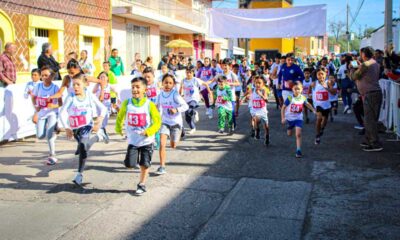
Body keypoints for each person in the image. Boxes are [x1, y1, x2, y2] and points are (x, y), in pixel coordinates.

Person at [115, 76, 161, 195]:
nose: (134, 89)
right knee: (130, 164)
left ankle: (142, 184)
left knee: (144, 164)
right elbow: (120, 116)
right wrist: (118, 128)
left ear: (145, 89)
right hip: (133, 141)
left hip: (147, 141)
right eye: (132, 87)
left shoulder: (149, 104)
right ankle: (131, 162)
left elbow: (157, 122)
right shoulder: (127, 103)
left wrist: (148, 131)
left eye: (137, 87)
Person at [59, 74, 106, 186]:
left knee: (83, 146)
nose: (75, 87)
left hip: (86, 126)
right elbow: (62, 112)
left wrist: (99, 119)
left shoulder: (89, 95)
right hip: (75, 129)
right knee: (83, 148)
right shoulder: (70, 97)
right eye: (73, 84)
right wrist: (67, 127)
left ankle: (79, 174)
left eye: (78, 84)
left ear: (85, 84)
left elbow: (103, 108)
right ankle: (98, 137)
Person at [350, 47, 383, 152]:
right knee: (370, 119)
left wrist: (352, 68)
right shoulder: (374, 63)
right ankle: (368, 140)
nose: (360, 55)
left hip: (370, 94)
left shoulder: (366, 64)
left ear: (364, 54)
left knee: (369, 120)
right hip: (373, 93)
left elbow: (354, 76)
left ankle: (375, 143)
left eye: (361, 53)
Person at [156, 74, 188, 175]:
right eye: (166, 82)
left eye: (170, 83)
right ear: (162, 83)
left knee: (173, 145)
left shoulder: (175, 94)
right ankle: (162, 166)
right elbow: (156, 107)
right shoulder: (160, 95)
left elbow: (185, 106)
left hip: (176, 123)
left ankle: (181, 130)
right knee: (162, 144)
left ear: (173, 85)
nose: (168, 85)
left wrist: (176, 109)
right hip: (164, 122)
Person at [31, 66, 62, 165]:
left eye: (46, 75)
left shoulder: (55, 88)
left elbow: (61, 103)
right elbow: (33, 97)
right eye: (42, 75)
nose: (44, 77)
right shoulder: (38, 87)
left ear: (52, 76)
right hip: (42, 113)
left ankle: (52, 155)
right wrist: (36, 108)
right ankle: (54, 131)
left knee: (49, 135)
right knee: (40, 136)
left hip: (52, 113)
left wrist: (53, 105)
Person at [281, 81, 316, 158]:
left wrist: (313, 110)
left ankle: (298, 150)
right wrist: (283, 118)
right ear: (292, 89)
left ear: (301, 89)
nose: (297, 90)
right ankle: (290, 127)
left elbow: (307, 104)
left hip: (298, 118)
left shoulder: (303, 97)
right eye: (295, 89)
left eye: (298, 89)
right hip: (289, 118)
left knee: (298, 134)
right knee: (289, 134)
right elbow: (283, 108)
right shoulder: (290, 98)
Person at [181, 65, 212, 134]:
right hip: (186, 100)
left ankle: (195, 112)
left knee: (190, 109)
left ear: (193, 73)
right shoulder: (183, 80)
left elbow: (206, 84)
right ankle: (193, 128)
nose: (188, 74)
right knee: (187, 116)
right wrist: (179, 96)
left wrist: (210, 93)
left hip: (194, 99)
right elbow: (180, 89)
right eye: (187, 72)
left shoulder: (195, 80)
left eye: (190, 72)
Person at [242, 76, 270, 145]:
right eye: (256, 83)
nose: (257, 84)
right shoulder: (252, 89)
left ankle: (267, 137)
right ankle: (257, 130)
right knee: (256, 119)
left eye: (259, 83)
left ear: (263, 84)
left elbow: (266, 100)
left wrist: (261, 95)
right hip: (255, 109)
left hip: (262, 110)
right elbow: (247, 94)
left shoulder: (264, 90)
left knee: (266, 126)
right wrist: (244, 98)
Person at [311, 67, 336, 145]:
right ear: (316, 75)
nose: (320, 76)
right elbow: (310, 89)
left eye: (322, 74)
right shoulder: (314, 83)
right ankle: (317, 135)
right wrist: (308, 95)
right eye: (319, 74)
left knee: (324, 120)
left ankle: (322, 129)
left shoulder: (328, 82)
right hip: (318, 105)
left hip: (326, 105)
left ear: (326, 75)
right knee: (319, 118)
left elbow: (333, 93)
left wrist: (327, 88)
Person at [93, 71, 119, 143]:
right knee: (100, 119)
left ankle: (103, 132)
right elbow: (93, 92)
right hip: (99, 106)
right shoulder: (98, 85)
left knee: (106, 119)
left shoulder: (109, 85)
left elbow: (116, 91)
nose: (102, 78)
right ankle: (101, 133)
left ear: (107, 78)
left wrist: (118, 98)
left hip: (107, 106)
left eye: (104, 77)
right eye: (101, 77)